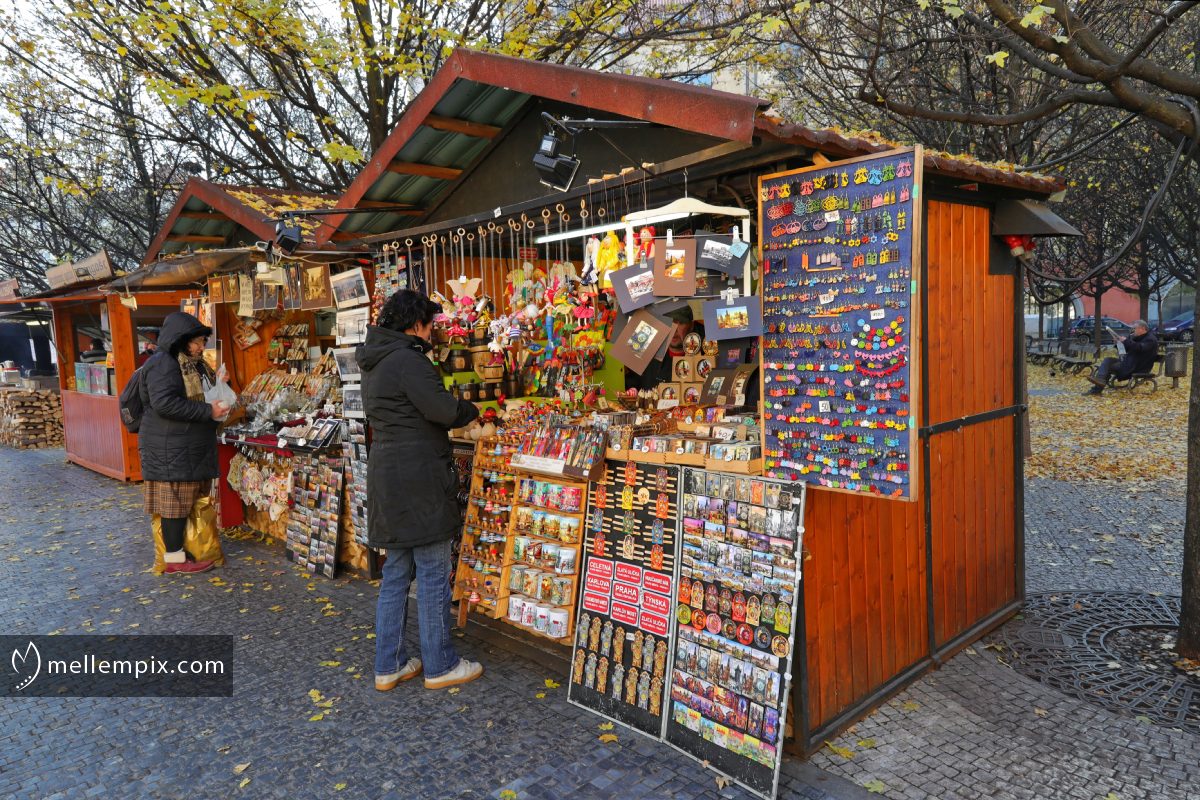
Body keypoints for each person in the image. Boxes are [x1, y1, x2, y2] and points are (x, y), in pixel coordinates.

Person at [356, 290, 483, 691]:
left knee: (396, 572)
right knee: (431, 571)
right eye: (430, 326)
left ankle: (389, 665)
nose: (432, 334)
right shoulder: (409, 360)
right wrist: (472, 409)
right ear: (416, 325)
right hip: (419, 476)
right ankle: (440, 665)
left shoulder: (376, 359)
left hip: (389, 472)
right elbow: (444, 411)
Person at [138, 312, 229, 574]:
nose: (201, 347)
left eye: (203, 342)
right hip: (170, 446)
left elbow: (193, 395)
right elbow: (165, 403)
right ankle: (175, 561)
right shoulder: (163, 363)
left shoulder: (191, 363)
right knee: (174, 506)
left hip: (184, 444)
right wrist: (208, 411)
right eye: (197, 342)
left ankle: (187, 552)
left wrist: (218, 385)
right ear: (181, 340)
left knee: (182, 503)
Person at [1085, 319, 1159, 395]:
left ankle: (1096, 390)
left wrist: (1126, 341)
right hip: (1130, 362)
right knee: (1108, 360)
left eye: (1134, 328)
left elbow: (1141, 348)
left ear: (1142, 329)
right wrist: (1118, 344)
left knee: (1108, 366)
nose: (1133, 330)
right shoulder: (1139, 338)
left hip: (1138, 366)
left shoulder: (1150, 339)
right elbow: (1126, 350)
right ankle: (1100, 379)